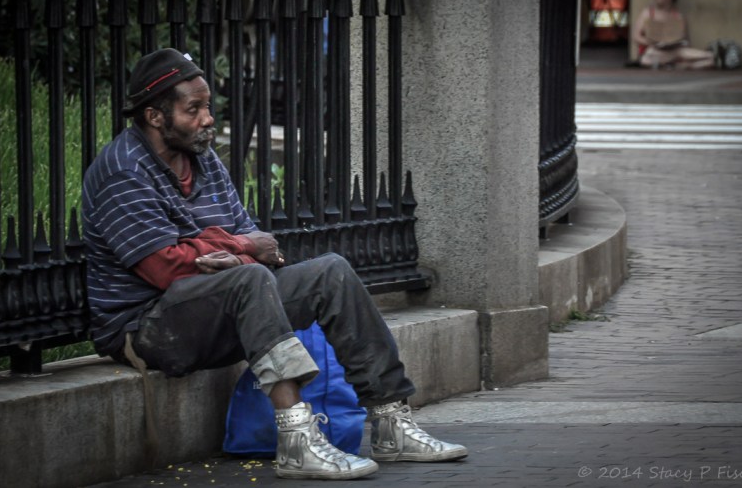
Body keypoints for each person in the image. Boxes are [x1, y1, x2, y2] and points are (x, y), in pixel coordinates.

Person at [82, 48, 467, 480]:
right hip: (146, 329)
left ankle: (391, 421)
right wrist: (239, 249)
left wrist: (229, 247)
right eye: (194, 109)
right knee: (248, 278)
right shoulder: (123, 170)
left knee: (331, 272)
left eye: (208, 106)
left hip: (217, 307)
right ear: (155, 117)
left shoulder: (202, 157)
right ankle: (296, 439)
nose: (208, 119)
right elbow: (165, 269)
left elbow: (262, 245)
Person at [632, 0, 715, 70]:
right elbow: (636, 36)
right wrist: (653, 42)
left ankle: (683, 65)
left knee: (710, 60)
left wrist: (674, 43)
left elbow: (686, 41)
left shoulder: (679, 17)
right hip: (653, 51)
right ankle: (677, 65)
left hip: (675, 51)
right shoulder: (647, 13)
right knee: (647, 58)